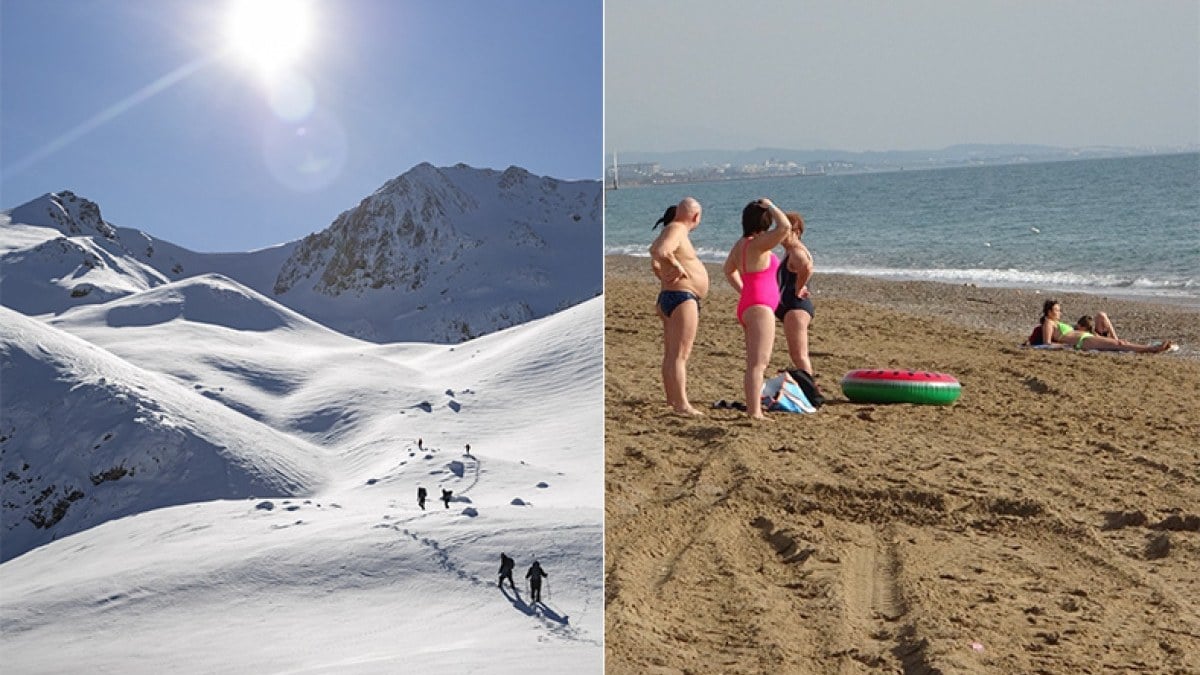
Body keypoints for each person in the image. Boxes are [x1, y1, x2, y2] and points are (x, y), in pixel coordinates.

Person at [722, 198, 792, 419]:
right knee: (758, 364)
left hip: (749, 304)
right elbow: (786, 227)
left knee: (755, 362)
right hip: (760, 307)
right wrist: (772, 205)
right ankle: (754, 411)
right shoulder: (757, 244)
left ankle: (754, 409)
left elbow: (728, 270)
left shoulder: (740, 245)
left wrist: (744, 290)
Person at [649, 197, 709, 416]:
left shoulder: (673, 229)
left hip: (672, 295)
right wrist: (677, 267)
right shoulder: (677, 229)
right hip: (681, 298)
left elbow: (654, 251)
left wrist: (663, 272)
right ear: (696, 216)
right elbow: (660, 251)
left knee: (672, 354)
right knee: (679, 355)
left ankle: (672, 399)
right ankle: (682, 404)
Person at [1033, 299, 1173, 353]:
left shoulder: (1057, 323)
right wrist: (1066, 346)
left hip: (1087, 337)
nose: (1059, 312)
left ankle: (1151, 348)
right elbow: (1047, 343)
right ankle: (1152, 349)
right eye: (1057, 310)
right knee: (1119, 344)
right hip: (1083, 341)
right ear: (1049, 312)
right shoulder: (1048, 323)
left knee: (1120, 343)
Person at [775, 211, 816, 376]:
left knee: (799, 355)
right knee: (797, 355)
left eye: (785, 230)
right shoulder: (791, 250)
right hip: (791, 307)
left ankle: (811, 392)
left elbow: (806, 267)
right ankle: (808, 390)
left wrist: (799, 288)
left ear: (796, 232)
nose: (780, 235)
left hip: (795, 308)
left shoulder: (797, 252)